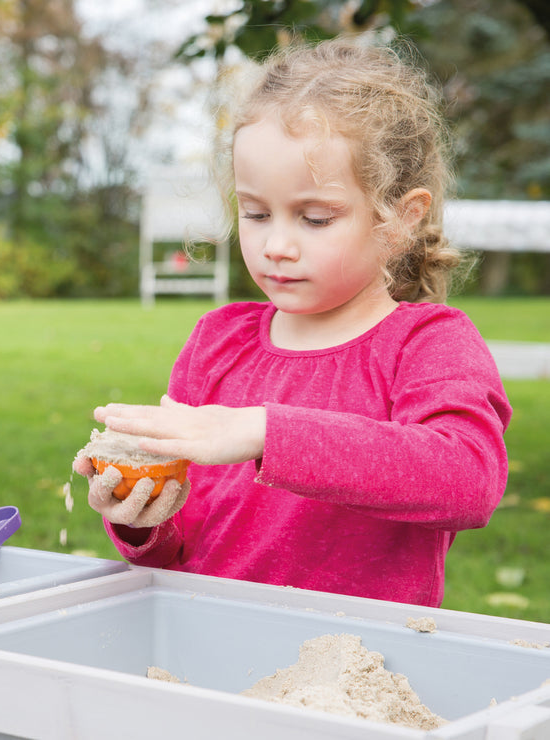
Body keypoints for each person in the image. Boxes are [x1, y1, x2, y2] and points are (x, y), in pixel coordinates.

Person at [73, 37, 512, 608]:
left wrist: (263, 431)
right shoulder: (217, 341)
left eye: (314, 218)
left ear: (400, 219)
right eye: (255, 214)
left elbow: (465, 482)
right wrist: (142, 517)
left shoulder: (426, 344)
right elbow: (182, 548)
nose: (276, 244)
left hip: (353, 671)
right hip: (205, 649)